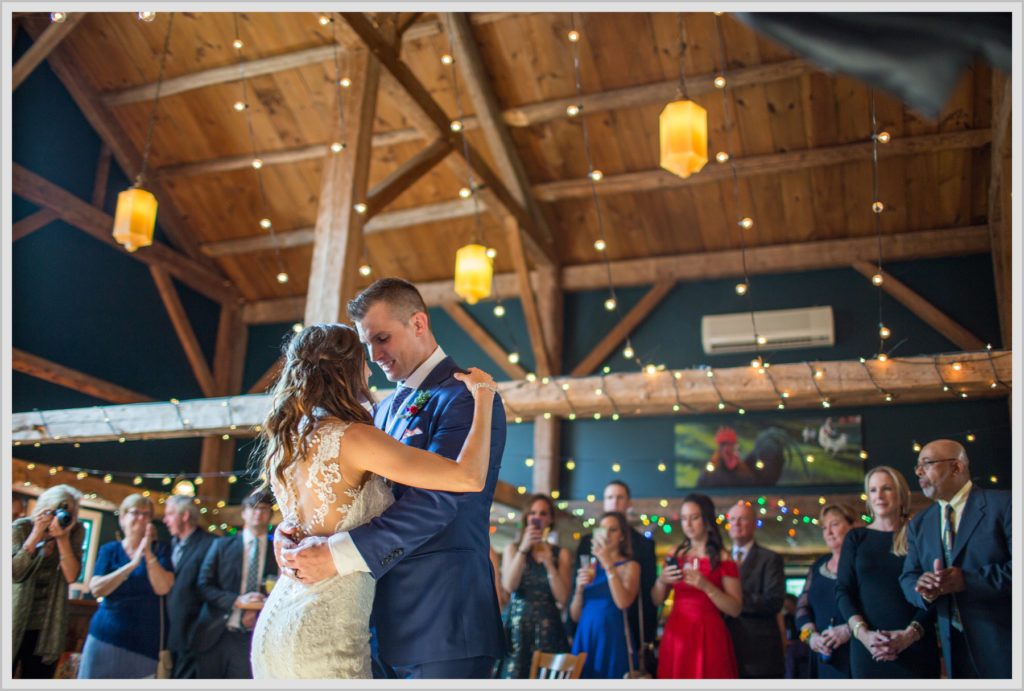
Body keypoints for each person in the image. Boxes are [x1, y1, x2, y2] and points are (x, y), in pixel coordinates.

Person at [255, 288, 505, 679]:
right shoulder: (375, 411)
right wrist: (293, 534)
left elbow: (442, 498)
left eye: (381, 338)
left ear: (418, 323)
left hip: (439, 617)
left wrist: (334, 552)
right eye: (365, 343)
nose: (373, 356)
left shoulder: (463, 394)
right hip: (362, 621)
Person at [900, 439, 1011, 678]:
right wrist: (923, 589)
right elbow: (908, 577)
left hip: (1005, 644)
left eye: (927, 463)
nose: (919, 471)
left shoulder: (1005, 504)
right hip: (952, 650)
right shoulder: (920, 523)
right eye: (918, 466)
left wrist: (967, 581)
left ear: (957, 467)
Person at [836, 466, 939, 678]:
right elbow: (844, 591)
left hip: (915, 644)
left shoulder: (918, 534)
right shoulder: (856, 538)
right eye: (873, 490)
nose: (879, 496)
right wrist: (863, 635)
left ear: (901, 494)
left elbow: (934, 592)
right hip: (869, 649)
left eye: (886, 489)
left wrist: (909, 636)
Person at [78, 494, 174, 678]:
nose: (141, 518)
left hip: (144, 644)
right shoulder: (110, 550)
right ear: (122, 518)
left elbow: (162, 588)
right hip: (104, 638)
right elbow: (97, 588)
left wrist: (147, 553)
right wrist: (131, 566)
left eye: (146, 514)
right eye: (135, 513)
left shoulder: (161, 550)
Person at [652, 493, 741, 679]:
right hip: (678, 631)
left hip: (708, 632)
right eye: (684, 519)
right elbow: (656, 599)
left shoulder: (723, 558)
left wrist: (707, 586)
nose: (688, 524)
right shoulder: (675, 554)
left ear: (707, 520)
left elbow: (735, 609)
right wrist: (662, 580)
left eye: (694, 518)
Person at [574, 480, 657, 669]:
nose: (614, 502)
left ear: (628, 503)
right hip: (586, 629)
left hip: (625, 624)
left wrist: (647, 637)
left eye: (620, 498)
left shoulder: (643, 544)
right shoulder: (587, 542)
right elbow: (577, 592)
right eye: (610, 497)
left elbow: (647, 591)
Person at [195, 490, 276, 679]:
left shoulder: (278, 551)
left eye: (264, 509)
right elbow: (203, 585)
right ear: (243, 513)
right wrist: (238, 601)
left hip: (254, 637)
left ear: (270, 515)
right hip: (216, 632)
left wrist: (259, 607)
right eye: (253, 508)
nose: (258, 513)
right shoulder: (222, 545)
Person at [11, 485, 85, 678]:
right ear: (44, 508)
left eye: (68, 513)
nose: (60, 518)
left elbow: (71, 576)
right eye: (57, 511)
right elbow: (14, 572)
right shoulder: (21, 528)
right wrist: (36, 534)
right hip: (12, 617)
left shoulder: (74, 532)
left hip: (47, 626)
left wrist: (63, 539)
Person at [496, 494, 572, 678]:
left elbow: (563, 598)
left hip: (548, 628)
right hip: (517, 628)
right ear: (526, 517)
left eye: (543, 513)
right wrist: (524, 548)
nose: (537, 517)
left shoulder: (560, 554)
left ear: (550, 519)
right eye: (533, 513)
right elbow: (509, 586)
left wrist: (549, 564)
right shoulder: (513, 549)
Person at [569, 511, 640, 679]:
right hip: (586, 634)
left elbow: (623, 602)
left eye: (613, 530)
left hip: (612, 637)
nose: (606, 534)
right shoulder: (589, 566)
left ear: (622, 536)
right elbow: (574, 616)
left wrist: (608, 563)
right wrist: (579, 590)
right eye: (603, 529)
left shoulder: (630, 565)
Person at [724, 501, 786, 678]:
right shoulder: (721, 559)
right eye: (733, 519)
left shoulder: (770, 559)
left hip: (760, 651)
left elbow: (773, 601)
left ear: (754, 524)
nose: (736, 523)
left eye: (742, 519)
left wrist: (731, 601)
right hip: (725, 646)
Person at [795, 503, 856, 679]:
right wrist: (811, 636)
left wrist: (848, 630)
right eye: (824, 527)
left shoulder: (862, 564)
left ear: (852, 526)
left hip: (856, 653)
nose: (828, 532)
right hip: (823, 655)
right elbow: (802, 608)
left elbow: (875, 608)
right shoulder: (817, 566)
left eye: (835, 524)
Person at [162, 494, 218, 679]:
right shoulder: (170, 545)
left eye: (170, 514)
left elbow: (209, 589)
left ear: (184, 516)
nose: (165, 520)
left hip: (194, 635)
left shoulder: (211, 544)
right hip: (168, 633)